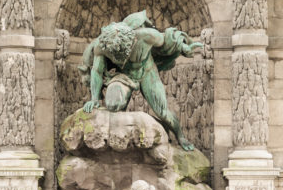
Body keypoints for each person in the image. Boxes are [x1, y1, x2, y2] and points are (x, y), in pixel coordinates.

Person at [80, 10, 202, 150]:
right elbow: (96, 71)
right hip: (122, 75)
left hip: (146, 71)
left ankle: (180, 136)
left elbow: (167, 40)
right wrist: (94, 99)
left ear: (129, 42)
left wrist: (184, 47)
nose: (115, 56)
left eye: (119, 51)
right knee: (113, 104)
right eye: (112, 53)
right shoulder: (102, 46)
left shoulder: (147, 36)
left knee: (162, 112)